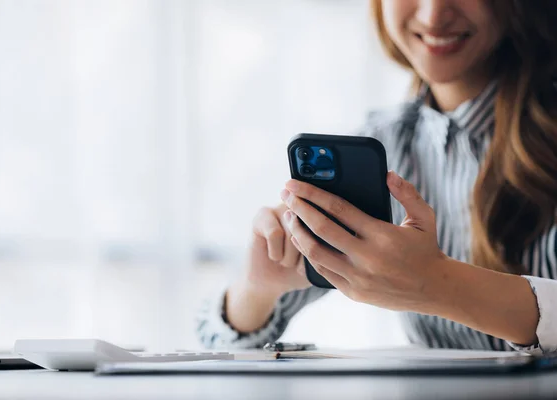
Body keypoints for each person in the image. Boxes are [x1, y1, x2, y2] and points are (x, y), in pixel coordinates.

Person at [196, 0, 557, 353]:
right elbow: (223, 341)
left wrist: (438, 285)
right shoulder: (382, 147)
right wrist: (258, 287)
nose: (433, 15)